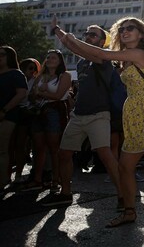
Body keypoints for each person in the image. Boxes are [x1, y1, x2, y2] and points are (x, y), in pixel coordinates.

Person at [54, 17, 144, 230]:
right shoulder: (124, 59)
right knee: (125, 166)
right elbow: (91, 54)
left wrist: (71, 38)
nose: (125, 32)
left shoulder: (137, 53)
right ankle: (129, 211)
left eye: (130, 29)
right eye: (122, 29)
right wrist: (64, 37)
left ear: (141, 34)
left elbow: (100, 53)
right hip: (136, 116)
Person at [37, 24, 122, 211]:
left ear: (102, 41)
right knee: (64, 154)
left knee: (105, 155)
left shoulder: (103, 58)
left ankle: (123, 195)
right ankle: (66, 193)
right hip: (78, 115)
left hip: (99, 114)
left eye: (93, 34)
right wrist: (59, 32)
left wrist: (65, 35)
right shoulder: (83, 62)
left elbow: (76, 47)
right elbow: (74, 48)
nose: (87, 36)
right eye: (86, 33)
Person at [22, 49, 71, 193]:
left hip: (54, 112)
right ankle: (38, 179)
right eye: (48, 57)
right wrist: (39, 94)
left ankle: (55, 180)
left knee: (54, 148)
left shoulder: (65, 75)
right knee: (38, 148)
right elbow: (31, 95)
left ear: (60, 60)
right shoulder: (41, 76)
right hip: (38, 112)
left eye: (53, 57)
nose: (49, 59)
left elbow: (58, 95)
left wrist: (42, 92)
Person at [0, 46, 28, 191]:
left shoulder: (16, 74)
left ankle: (3, 180)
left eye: (2, 55)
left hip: (7, 116)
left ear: (9, 56)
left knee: (2, 149)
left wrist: (5, 110)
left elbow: (21, 94)